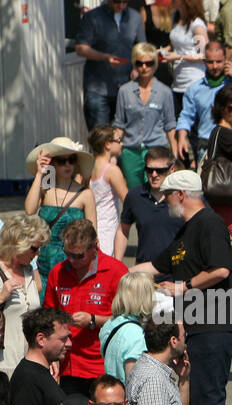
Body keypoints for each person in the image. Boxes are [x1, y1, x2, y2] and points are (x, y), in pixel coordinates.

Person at [133, 169, 232, 405]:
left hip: (214, 324)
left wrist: (185, 286)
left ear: (181, 194)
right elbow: (154, 266)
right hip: (196, 328)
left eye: (167, 195)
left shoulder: (209, 223)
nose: (164, 201)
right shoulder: (185, 232)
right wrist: (118, 274)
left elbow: (221, 269)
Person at [41, 219, 129, 396]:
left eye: (79, 255)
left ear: (94, 247)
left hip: (104, 368)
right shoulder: (57, 272)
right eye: (68, 253)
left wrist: (94, 320)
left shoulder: (116, 272)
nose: (72, 260)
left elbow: (130, 321)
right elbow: (48, 317)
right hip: (68, 368)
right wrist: (49, 356)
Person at [24, 139, 97, 288]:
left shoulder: (85, 194)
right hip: (44, 262)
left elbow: (93, 235)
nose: (68, 165)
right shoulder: (46, 189)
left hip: (73, 262)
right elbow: (29, 210)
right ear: (53, 163)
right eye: (62, 161)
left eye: (71, 160)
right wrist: (40, 174)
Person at [112, 45, 180, 189]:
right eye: (139, 63)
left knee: (157, 192)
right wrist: (112, 153)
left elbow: (170, 125)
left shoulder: (165, 92)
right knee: (135, 193)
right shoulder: (124, 91)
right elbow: (119, 124)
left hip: (156, 150)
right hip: (131, 152)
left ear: (155, 65)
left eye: (148, 63)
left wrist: (175, 154)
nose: (144, 67)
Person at [75, 0, 145, 131]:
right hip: (98, 87)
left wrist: (137, 67)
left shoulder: (134, 17)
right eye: (117, 1)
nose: (121, 5)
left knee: (127, 136)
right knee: (100, 136)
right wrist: (104, 57)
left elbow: (142, 47)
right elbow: (80, 48)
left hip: (126, 86)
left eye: (125, 2)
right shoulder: (93, 17)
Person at [114, 148, 183, 269]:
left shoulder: (183, 196)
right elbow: (123, 230)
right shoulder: (135, 196)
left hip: (177, 275)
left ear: (172, 169)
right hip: (144, 274)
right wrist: (117, 264)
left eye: (160, 171)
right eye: (149, 170)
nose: (154, 174)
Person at [0, 217, 50, 377]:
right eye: (34, 248)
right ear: (17, 244)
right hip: (4, 366)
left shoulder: (29, 272)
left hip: (31, 366)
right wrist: (1, 297)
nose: (38, 253)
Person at [99, 272, 152, 385]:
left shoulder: (110, 324)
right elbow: (134, 383)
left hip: (114, 396)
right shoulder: (136, 333)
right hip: (127, 398)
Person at [87, 125, 127, 261]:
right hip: (109, 227)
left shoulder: (89, 169)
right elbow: (127, 200)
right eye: (118, 140)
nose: (122, 143)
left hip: (92, 224)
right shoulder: (112, 170)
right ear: (108, 144)